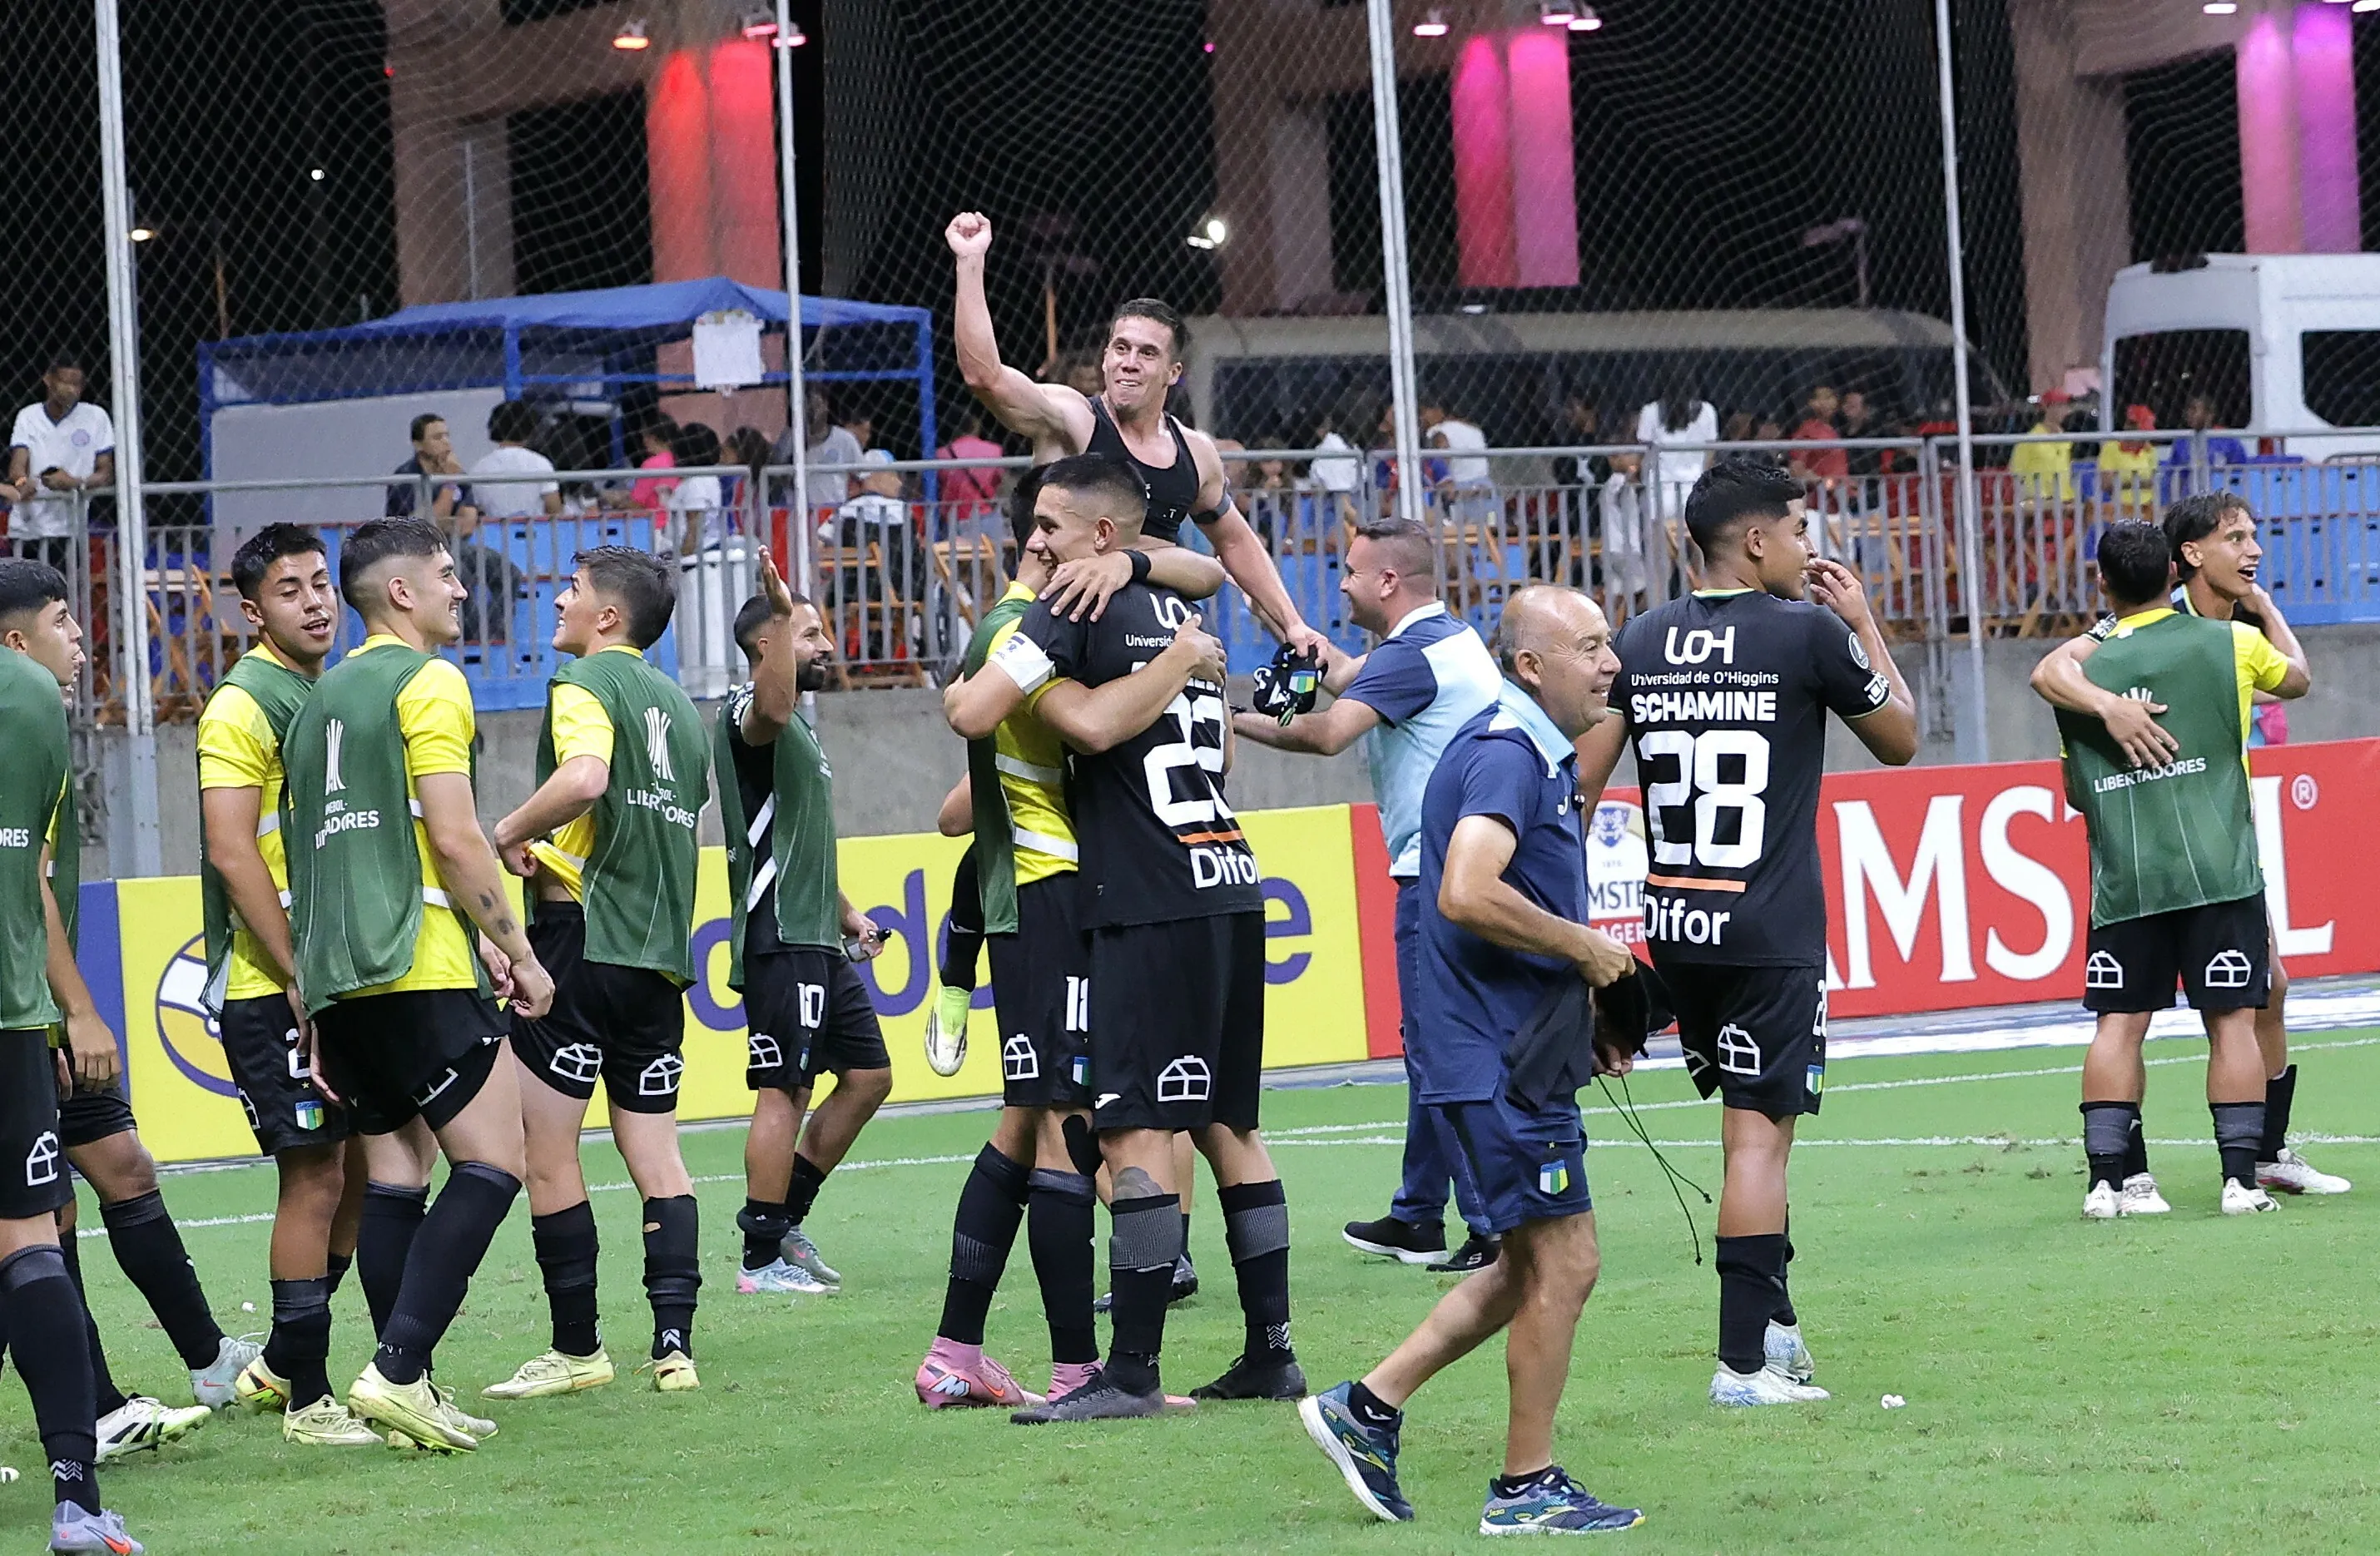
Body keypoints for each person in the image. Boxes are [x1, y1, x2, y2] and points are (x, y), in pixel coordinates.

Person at [946, 453, 1302, 1421]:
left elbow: (973, 709)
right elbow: (1212, 627)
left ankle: (1133, 1373)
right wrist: (1172, 628)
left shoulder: (1066, 614)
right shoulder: (1181, 609)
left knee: (1132, 1125)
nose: (1036, 549)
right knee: (1231, 1124)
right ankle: (1272, 1352)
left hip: (1145, 895)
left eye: (1049, 532)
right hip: (1229, 873)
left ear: (1102, 536)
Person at [1298, 585, 1644, 1536]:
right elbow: (1464, 890)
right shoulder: (1506, 753)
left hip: (1510, 1055)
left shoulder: (1524, 749)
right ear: (1530, 666)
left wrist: (1582, 1013)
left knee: (1525, 1265)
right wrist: (1583, 948)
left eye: (1608, 643)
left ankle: (1364, 1406)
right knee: (1564, 1263)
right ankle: (1525, 1487)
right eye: (1587, 646)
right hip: (1493, 1065)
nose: (1609, 661)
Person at [1577, 455, 1918, 1407]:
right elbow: (1901, 738)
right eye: (1800, 532)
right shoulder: (1807, 631)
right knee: (1758, 1143)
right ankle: (1742, 1364)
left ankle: (1774, 1325)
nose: (1809, 550)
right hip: (1768, 931)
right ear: (1758, 541)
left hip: (1675, 926)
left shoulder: (1641, 637)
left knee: (1753, 1141)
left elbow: (1581, 782)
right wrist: (1862, 625)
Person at [915, 504, 1223, 1410]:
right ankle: (1077, 1368)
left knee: (1023, 1123)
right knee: (1065, 1124)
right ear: (1051, 544)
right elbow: (1084, 724)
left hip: (1034, 891)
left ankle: (955, 1350)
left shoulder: (1015, 624)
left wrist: (1139, 571)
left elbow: (1201, 569)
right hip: (1050, 896)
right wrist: (1178, 663)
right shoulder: (1023, 629)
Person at [281, 517, 557, 1454]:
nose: (462, 589)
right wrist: (516, 946)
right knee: (496, 1162)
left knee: (398, 1168)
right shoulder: (430, 681)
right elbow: (454, 831)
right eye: (446, 574)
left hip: (338, 978)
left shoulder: (318, 700)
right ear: (401, 592)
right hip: (412, 963)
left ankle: (410, 1388)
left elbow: (323, 853)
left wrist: (313, 995)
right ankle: (397, 1369)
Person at [2, 567, 264, 1432]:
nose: (83, 640)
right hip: (30, 1013)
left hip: (39, 1005)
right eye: (63, 623)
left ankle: (201, 1362)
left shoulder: (39, 725)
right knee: (40, 1219)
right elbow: (27, 888)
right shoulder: (19, 726)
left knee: (121, 1168)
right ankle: (97, 1411)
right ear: (16, 644)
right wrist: (76, 1010)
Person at [2030, 493, 2343, 1203]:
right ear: (2186, 560)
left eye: (2255, 537)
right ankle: (2181, 1166)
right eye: (2237, 538)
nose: (2253, 551)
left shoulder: (2188, 634)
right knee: (2216, 1007)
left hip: (2164, 858)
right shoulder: (2192, 641)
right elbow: (2296, 678)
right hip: (2201, 856)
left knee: (2252, 993)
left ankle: (2230, 1158)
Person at [1232, 520, 1503, 1274]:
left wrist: (1222, 720)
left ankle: (1490, 1228)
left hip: (1437, 877)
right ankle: (1418, 1216)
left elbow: (1326, 736)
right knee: (1436, 1047)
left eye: (1350, 572)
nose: (1341, 583)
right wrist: (1321, 658)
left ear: (1387, 583)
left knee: (1438, 1050)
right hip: (1462, 867)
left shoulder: (1412, 657)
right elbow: (1361, 682)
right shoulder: (1446, 641)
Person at [482, 548, 712, 1401]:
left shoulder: (583, 684)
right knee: (658, 1154)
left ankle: (577, 1347)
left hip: (579, 942)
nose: (558, 595)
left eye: (571, 589)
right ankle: (676, 1344)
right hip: (659, 956)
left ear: (606, 618)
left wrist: (506, 831)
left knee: (548, 1153)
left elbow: (585, 778)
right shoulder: (687, 714)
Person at [192, 527, 383, 1449]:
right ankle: (309, 1399)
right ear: (251, 609)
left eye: (321, 583)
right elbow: (233, 850)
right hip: (276, 988)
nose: (314, 601)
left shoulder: (323, 690)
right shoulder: (239, 705)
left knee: (355, 1173)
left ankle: (280, 1361)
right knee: (313, 1179)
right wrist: (299, 974)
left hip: (338, 982)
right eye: (289, 588)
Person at [947, 211, 1326, 659]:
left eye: (1147, 353)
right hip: (1057, 627)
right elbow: (985, 377)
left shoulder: (1196, 453)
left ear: (1173, 372)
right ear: (1106, 357)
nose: (1129, 362)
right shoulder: (1073, 420)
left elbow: (1236, 541)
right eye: (1120, 348)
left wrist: (1294, 624)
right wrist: (970, 264)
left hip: (1148, 636)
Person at [0, 560, 141, 1554]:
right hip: (6, 1016)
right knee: (30, 1244)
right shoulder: (30, 697)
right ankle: (76, 1500)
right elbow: (30, 874)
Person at [718, 564, 894, 1300]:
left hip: (818, 934)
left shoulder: (801, 732)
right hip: (779, 935)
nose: (828, 645)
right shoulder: (751, 713)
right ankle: (759, 1261)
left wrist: (849, 913)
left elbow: (797, 842)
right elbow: (774, 707)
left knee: (869, 1077)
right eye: (808, 633)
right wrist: (785, 622)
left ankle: (784, 1218)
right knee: (784, 1089)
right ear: (768, 645)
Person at [5, 356, 113, 577]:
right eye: (65, 382)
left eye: (77, 385)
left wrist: (73, 483)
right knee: (26, 602)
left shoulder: (96, 417)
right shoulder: (29, 416)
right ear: (48, 380)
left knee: (64, 599)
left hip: (71, 529)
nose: (71, 390)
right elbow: (17, 465)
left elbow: (105, 474)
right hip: (28, 527)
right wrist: (22, 483)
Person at [1634, 384, 1718, 527]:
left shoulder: (1650, 412)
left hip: (1660, 488)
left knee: (1660, 544)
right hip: (1693, 485)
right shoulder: (1708, 411)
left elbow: (1643, 454)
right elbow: (1710, 455)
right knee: (1698, 542)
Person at [470, 399, 563, 519]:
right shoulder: (540, 463)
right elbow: (554, 508)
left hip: (494, 533)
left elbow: (477, 509)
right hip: (534, 532)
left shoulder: (479, 468)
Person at [385, 414, 477, 523]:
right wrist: (450, 484)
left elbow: (468, 523)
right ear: (418, 445)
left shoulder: (457, 472)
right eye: (437, 438)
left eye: (447, 436)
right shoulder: (404, 478)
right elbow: (421, 526)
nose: (446, 442)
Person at [663, 422, 726, 555]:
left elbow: (693, 532)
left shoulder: (696, 484)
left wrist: (675, 564)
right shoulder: (708, 478)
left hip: (694, 560)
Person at [936, 407, 1007, 522]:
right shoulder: (994, 450)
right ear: (975, 426)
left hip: (953, 517)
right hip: (985, 513)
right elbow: (999, 481)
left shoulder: (941, 454)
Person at [2007, 391, 2076, 505]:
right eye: (2060, 405)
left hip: (2064, 499)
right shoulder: (2031, 439)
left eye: (2066, 406)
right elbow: (2016, 472)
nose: (2066, 410)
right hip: (2039, 501)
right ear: (2047, 408)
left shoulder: (2065, 439)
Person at [2161, 393, 2250, 472]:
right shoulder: (2181, 442)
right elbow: (2172, 474)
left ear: (2209, 414)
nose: (2189, 413)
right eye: (2188, 409)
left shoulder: (2227, 440)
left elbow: (2241, 472)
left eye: (2194, 409)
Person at [2095, 404, 2159, 510]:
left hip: (2147, 506)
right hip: (2120, 507)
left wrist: (2126, 482)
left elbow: (2153, 482)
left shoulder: (2150, 450)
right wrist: (2139, 482)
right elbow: (2107, 484)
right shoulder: (2111, 448)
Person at [1788, 386, 1847, 483]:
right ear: (1812, 403)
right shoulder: (1807, 430)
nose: (1829, 403)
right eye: (1824, 398)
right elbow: (1796, 467)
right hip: (1822, 493)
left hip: (1840, 490)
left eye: (1831, 397)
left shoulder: (1835, 429)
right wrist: (1820, 482)